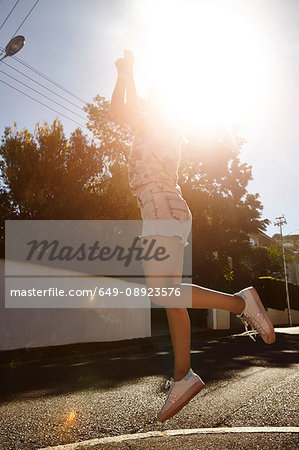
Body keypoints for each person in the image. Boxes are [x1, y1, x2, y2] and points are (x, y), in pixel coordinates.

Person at [110, 50, 276, 423]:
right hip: (165, 206)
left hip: (160, 205)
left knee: (163, 292)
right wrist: (132, 71)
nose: (148, 102)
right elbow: (133, 108)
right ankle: (183, 375)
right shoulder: (158, 124)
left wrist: (123, 73)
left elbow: (119, 109)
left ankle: (239, 303)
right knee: (170, 295)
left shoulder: (157, 122)